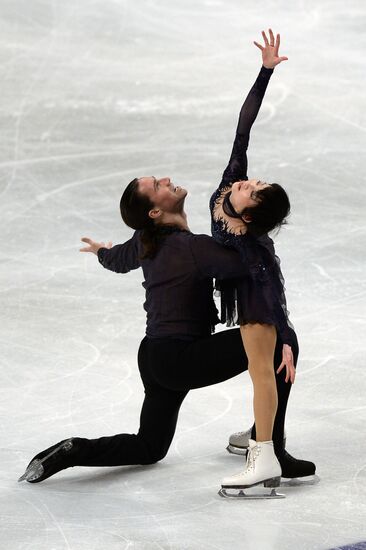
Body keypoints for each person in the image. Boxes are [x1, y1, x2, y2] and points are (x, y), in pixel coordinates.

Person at [18, 31, 315, 494]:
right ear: (156, 209)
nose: (169, 179)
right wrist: (260, 251)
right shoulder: (193, 247)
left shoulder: (146, 241)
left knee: (148, 445)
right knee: (276, 347)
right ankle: (268, 444)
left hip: (154, 356)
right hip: (182, 359)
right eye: (159, 184)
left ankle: (74, 449)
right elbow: (257, 280)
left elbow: (118, 260)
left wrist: (100, 252)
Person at [210, 30, 296, 492]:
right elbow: (244, 126)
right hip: (240, 293)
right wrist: (265, 72)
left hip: (255, 301)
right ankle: (262, 439)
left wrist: (284, 336)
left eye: (253, 190)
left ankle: (265, 457)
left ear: (249, 215)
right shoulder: (229, 186)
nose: (248, 182)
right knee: (261, 373)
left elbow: (273, 291)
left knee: (263, 373)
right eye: (254, 182)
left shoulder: (252, 248)